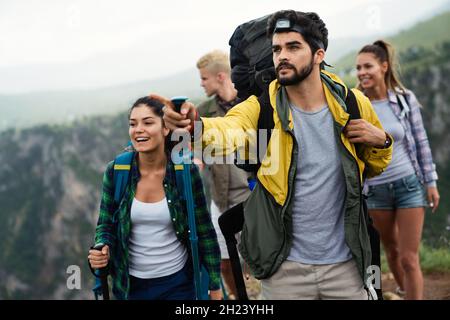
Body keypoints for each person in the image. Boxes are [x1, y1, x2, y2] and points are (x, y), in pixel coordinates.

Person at [155, 10, 393, 300]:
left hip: (347, 266)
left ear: (319, 54)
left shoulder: (353, 103)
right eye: (277, 49)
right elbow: (229, 132)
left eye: (293, 47)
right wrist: (195, 128)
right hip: (284, 270)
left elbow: (375, 166)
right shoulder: (261, 108)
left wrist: (382, 140)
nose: (282, 56)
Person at [88, 96, 222, 300]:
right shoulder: (116, 171)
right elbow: (105, 224)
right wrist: (101, 247)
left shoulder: (184, 171)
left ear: (165, 128)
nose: (138, 129)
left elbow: (203, 229)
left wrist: (214, 284)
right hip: (130, 286)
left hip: (178, 285)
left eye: (148, 122)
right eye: (133, 124)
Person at [356, 40, 440, 300]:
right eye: (358, 68)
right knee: (391, 251)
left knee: (408, 258)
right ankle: (405, 292)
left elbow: (421, 140)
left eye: (368, 66)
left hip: (409, 184)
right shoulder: (355, 104)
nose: (361, 72)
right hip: (375, 190)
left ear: (384, 66)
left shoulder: (404, 100)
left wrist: (431, 181)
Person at [195, 50, 251, 299]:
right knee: (225, 261)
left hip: (250, 193)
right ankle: (240, 298)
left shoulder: (249, 103)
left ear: (220, 76)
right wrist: (195, 161)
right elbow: (195, 147)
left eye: (204, 78)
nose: (201, 83)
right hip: (219, 198)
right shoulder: (203, 110)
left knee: (259, 254)